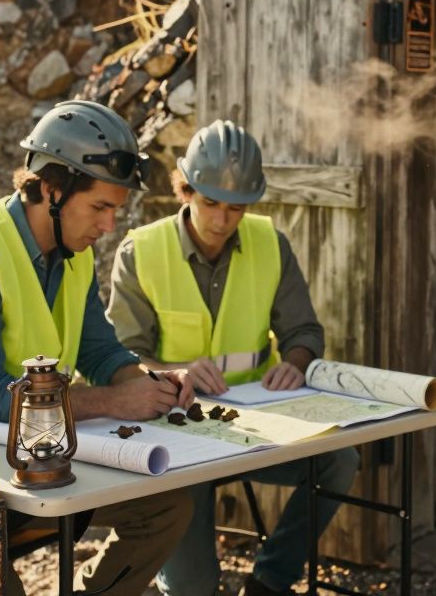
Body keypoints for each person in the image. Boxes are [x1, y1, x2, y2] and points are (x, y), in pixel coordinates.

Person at [0, 99, 197, 596]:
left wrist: (147, 384)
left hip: (21, 462)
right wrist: (114, 402)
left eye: (115, 210)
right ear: (51, 190)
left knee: (166, 507)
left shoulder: (74, 251)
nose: (109, 227)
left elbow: (100, 352)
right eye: (100, 207)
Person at [107, 119, 360, 596]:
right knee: (194, 588)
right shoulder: (141, 251)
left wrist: (295, 362)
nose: (222, 221)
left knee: (340, 461)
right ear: (185, 190)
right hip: (176, 437)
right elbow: (120, 356)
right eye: (210, 203)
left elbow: (304, 332)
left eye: (236, 208)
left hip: (252, 430)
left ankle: (270, 580)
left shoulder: (271, 244)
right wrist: (171, 373)